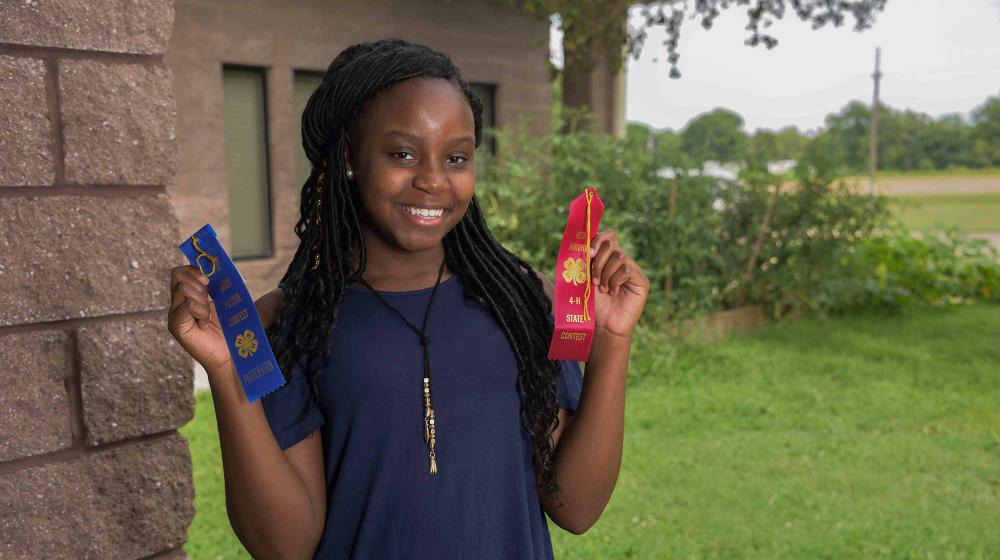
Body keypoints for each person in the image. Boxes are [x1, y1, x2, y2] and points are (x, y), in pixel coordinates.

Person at [168, 38, 648, 559]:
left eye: (457, 157)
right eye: (402, 153)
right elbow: (286, 544)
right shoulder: (287, 325)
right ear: (349, 156)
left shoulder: (518, 304)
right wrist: (224, 368)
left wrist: (612, 341)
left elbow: (575, 506)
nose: (433, 180)